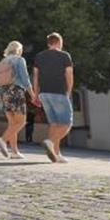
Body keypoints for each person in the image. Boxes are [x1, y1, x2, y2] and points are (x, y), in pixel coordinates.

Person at [32, 32, 74, 163]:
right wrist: (69, 91)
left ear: (48, 43)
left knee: (54, 124)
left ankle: (56, 154)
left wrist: (35, 94)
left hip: (44, 94)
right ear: (58, 42)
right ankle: (50, 142)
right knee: (67, 123)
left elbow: (35, 76)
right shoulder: (64, 55)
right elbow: (69, 75)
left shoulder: (39, 56)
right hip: (59, 92)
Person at [0, 40, 34, 159]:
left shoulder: (3, 61)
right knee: (21, 122)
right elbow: (25, 78)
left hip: (2, 92)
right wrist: (32, 94)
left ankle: (14, 152)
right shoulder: (19, 60)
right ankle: (3, 139)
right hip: (15, 91)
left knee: (12, 124)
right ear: (19, 50)